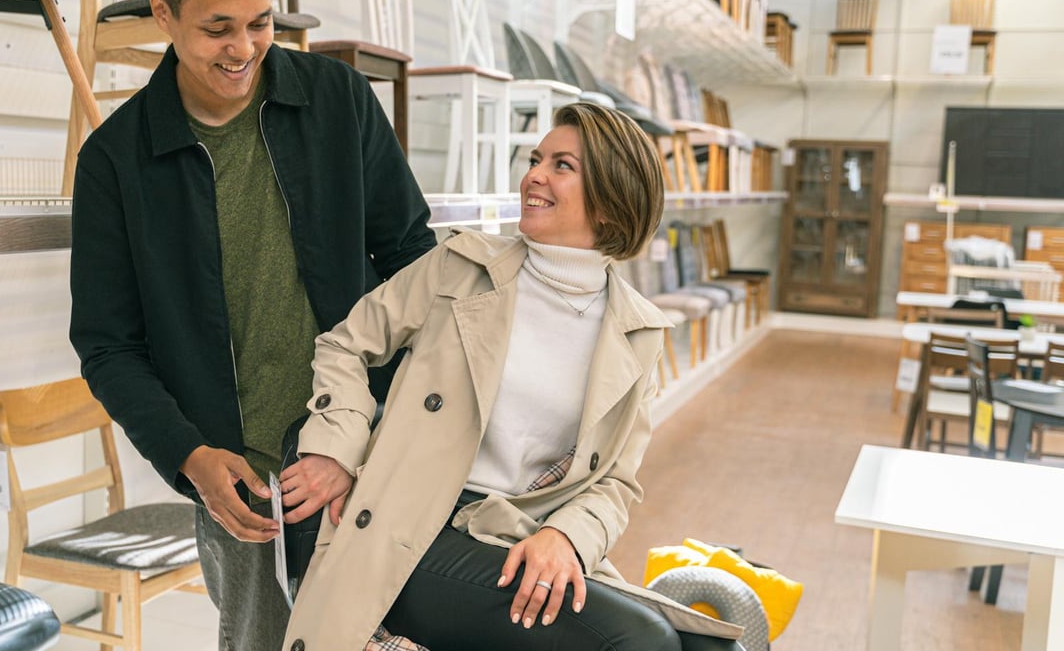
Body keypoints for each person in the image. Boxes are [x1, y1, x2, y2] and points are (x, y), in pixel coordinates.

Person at [66, 0, 436, 648]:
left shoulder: (339, 101)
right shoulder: (114, 162)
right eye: (217, 28)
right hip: (242, 488)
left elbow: (411, 260)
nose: (243, 48)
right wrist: (188, 456)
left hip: (369, 449)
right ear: (164, 14)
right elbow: (109, 346)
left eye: (261, 23)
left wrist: (385, 424)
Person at [280, 102, 745, 651]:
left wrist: (567, 536)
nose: (534, 176)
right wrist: (334, 446)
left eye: (562, 165)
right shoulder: (461, 266)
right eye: (535, 159)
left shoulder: (637, 330)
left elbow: (616, 481)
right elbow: (345, 344)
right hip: (413, 521)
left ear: (612, 200)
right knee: (641, 640)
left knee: (712, 649)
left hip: (517, 532)